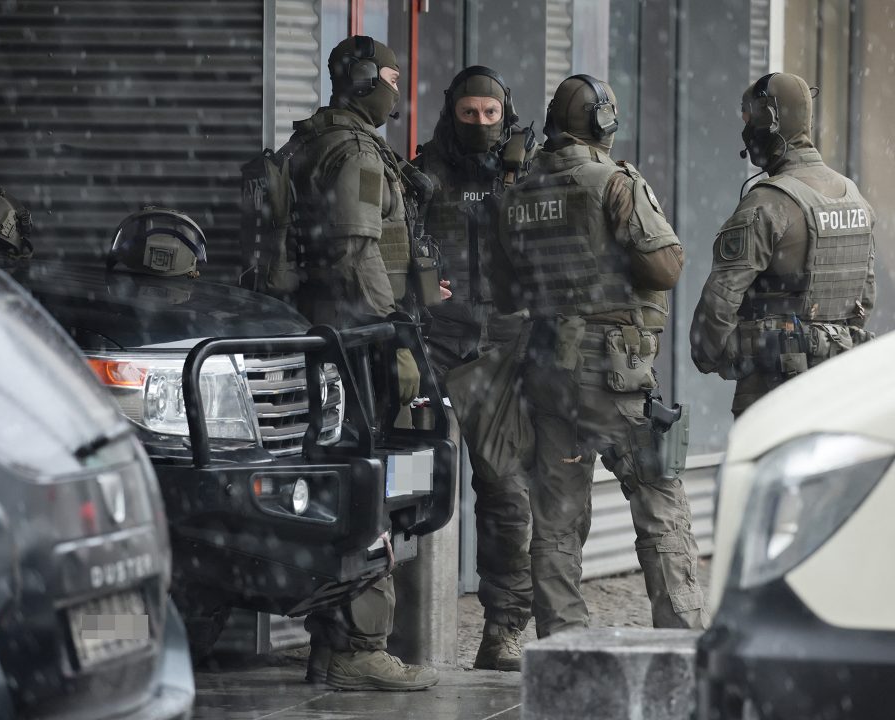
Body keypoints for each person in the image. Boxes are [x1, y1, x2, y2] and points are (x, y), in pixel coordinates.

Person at [490, 74, 709, 637]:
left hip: (547, 374)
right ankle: (682, 635)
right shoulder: (614, 182)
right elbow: (665, 265)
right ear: (605, 122)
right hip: (613, 373)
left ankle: (563, 642)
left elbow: (506, 288)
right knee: (658, 497)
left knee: (557, 518)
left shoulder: (519, 191)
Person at [281, 35, 439, 692]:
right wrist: (392, 337)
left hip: (320, 337)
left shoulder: (309, 143)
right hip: (355, 342)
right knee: (371, 485)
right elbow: (357, 251)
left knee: (340, 484)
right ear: (369, 79)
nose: (396, 92)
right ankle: (360, 645)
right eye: (392, 78)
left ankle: (332, 642)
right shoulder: (353, 153)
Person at [412, 66, 537, 671]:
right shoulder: (421, 173)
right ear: (451, 113)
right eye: (469, 114)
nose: (481, 124)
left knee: (506, 491)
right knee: (408, 485)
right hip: (432, 345)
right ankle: (388, 630)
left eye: (491, 113)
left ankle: (504, 630)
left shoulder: (529, 174)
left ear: (505, 112)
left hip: (502, 348)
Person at [690, 72, 876, 416]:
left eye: (749, 119)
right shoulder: (855, 198)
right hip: (841, 391)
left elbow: (720, 301)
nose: (746, 131)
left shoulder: (768, 203)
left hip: (774, 393)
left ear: (770, 119)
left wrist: (716, 354)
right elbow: (863, 301)